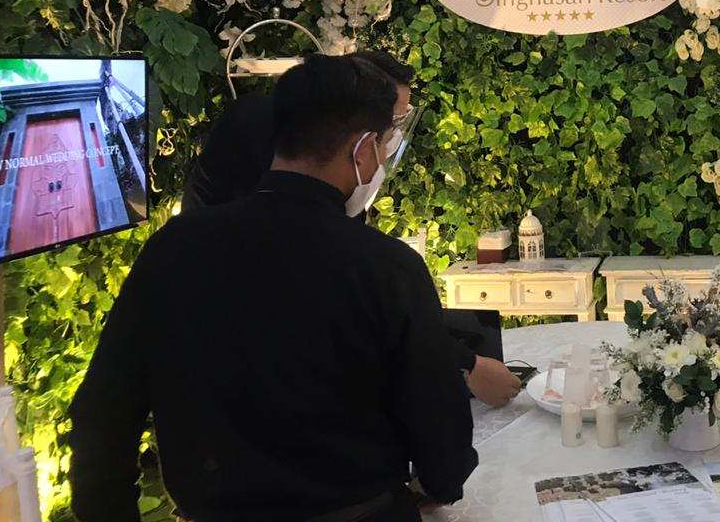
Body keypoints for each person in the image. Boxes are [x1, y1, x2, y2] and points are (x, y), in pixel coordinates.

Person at [70, 55, 479, 522]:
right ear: (364, 148)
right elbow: (442, 442)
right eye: (384, 145)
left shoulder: (174, 249)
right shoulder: (387, 266)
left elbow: (102, 413)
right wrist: (439, 481)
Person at [181, 50, 523, 409]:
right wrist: (465, 363)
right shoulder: (269, 144)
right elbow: (333, 281)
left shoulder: (336, 191)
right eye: (390, 121)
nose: (388, 141)